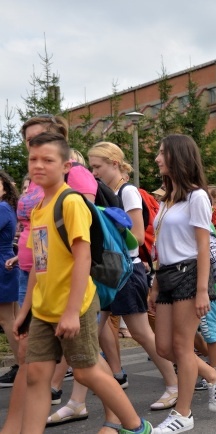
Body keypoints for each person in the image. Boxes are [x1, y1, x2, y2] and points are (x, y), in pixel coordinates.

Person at [12, 131, 152, 433]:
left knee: (87, 371)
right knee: (36, 374)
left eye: (48, 159)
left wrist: (72, 311)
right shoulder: (39, 209)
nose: (38, 165)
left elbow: (83, 258)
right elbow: (40, 263)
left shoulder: (71, 202)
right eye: (33, 159)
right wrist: (25, 311)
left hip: (76, 305)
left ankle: (136, 426)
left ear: (66, 167)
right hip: (44, 308)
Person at [149, 134, 216, 433]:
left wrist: (201, 291)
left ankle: (183, 414)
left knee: (182, 347)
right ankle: (212, 374)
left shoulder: (197, 197)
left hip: (188, 274)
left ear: (178, 157)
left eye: (162, 153)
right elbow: (162, 244)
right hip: (167, 275)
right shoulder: (168, 200)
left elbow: (203, 247)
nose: (157, 158)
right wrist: (156, 284)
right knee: (163, 346)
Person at [0, 171, 20, 370]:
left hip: (3, 263)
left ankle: (22, 366)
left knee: (7, 320)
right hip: (6, 262)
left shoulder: (2, 208)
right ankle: (23, 364)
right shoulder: (7, 207)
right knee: (13, 319)